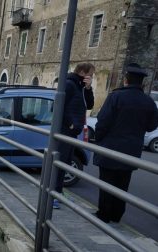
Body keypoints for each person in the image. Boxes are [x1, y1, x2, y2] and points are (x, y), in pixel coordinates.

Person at [93, 63, 158, 223]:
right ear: (142, 83)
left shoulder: (115, 97)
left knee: (107, 183)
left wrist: (99, 139)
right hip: (131, 150)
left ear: (126, 80)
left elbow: (102, 122)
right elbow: (152, 126)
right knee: (122, 184)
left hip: (110, 148)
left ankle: (104, 215)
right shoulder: (148, 102)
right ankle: (116, 216)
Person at [54, 63, 95, 209]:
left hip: (72, 132)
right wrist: (70, 123)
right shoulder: (70, 84)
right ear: (83, 73)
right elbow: (57, 107)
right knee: (59, 164)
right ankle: (53, 196)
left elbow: (90, 105)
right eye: (91, 74)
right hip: (65, 131)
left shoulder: (80, 87)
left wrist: (89, 88)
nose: (92, 77)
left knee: (64, 163)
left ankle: (57, 192)